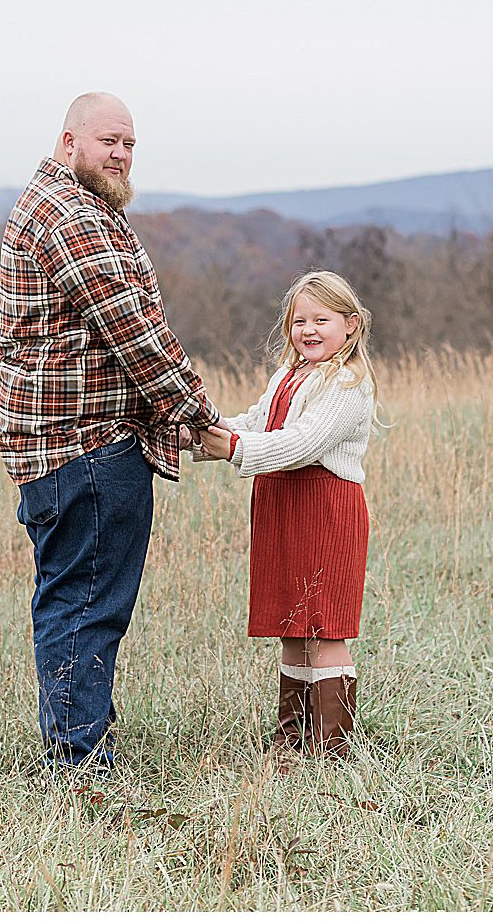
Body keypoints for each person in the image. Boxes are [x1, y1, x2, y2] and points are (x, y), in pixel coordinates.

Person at [0, 91, 221, 770]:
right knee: (87, 601)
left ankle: (79, 740)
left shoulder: (80, 205)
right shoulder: (68, 214)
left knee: (75, 595)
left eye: (129, 145)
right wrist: (195, 414)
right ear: (69, 143)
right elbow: (133, 329)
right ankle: (80, 762)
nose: (120, 155)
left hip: (68, 443)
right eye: (107, 141)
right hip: (83, 445)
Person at [196, 270, 381, 761]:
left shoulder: (348, 385)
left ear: (351, 326)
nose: (309, 330)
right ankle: (291, 739)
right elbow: (254, 423)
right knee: (292, 624)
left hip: (324, 510)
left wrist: (231, 448)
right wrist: (201, 434)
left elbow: (302, 443)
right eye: (300, 320)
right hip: (282, 508)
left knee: (324, 626)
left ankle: (331, 747)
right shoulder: (288, 375)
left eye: (322, 319)